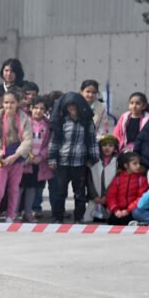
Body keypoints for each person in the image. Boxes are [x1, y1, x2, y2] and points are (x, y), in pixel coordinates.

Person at [47, 92, 98, 224]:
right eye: (69, 107)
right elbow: (54, 141)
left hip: (80, 163)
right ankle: (58, 217)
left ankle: (79, 217)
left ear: (81, 107)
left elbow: (92, 141)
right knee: (60, 192)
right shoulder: (62, 121)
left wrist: (93, 159)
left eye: (75, 107)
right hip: (62, 162)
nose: (72, 110)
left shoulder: (87, 123)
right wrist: (51, 158)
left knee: (80, 193)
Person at [0, 90, 33, 222]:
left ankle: (10, 215)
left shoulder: (24, 119)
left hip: (17, 160)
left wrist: (15, 156)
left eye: (12, 102)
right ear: (3, 103)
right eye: (6, 102)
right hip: (1, 160)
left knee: (13, 189)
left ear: (18, 103)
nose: (9, 105)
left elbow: (28, 140)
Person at [20, 97, 53, 222]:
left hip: (36, 162)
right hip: (23, 160)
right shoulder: (24, 122)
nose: (39, 111)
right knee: (18, 188)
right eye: (36, 108)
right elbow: (20, 140)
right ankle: (13, 213)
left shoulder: (47, 125)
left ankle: (28, 213)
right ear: (31, 108)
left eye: (42, 109)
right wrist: (24, 156)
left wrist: (40, 157)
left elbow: (48, 144)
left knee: (32, 188)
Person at [105, 152, 148, 225]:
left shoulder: (142, 179)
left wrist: (128, 210)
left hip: (133, 211)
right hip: (118, 211)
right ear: (126, 165)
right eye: (135, 163)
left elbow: (141, 198)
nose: (138, 166)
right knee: (113, 220)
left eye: (139, 163)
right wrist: (115, 210)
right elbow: (111, 196)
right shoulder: (117, 179)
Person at [86, 136, 119, 223]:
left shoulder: (117, 162)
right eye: (104, 145)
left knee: (112, 218)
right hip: (95, 197)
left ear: (115, 148)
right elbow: (89, 181)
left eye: (110, 145)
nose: (107, 148)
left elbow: (116, 181)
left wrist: (107, 196)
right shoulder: (93, 161)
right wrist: (94, 196)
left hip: (110, 197)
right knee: (92, 218)